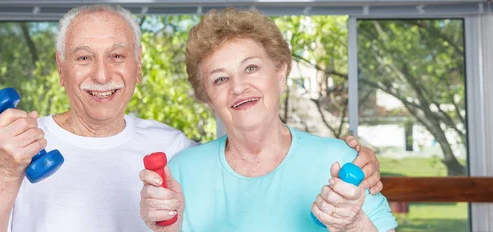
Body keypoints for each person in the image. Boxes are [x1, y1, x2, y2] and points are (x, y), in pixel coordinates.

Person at [0, 5, 382, 231]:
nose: (102, 75)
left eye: (117, 56)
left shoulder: (175, 150)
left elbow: (249, 165)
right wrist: (9, 170)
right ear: (61, 67)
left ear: (138, 68)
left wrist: (362, 163)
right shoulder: (23, 149)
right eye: (84, 57)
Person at [139, 8, 397, 232]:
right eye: (220, 79)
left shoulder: (339, 161)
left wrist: (352, 225)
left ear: (281, 74)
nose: (238, 87)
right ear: (207, 96)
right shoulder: (182, 171)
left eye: (251, 68)